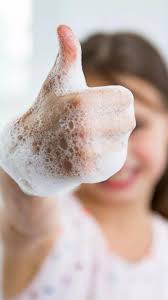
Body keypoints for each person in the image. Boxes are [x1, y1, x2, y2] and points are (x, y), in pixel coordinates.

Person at [0, 24, 168, 300]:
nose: (118, 154)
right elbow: (24, 216)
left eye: (137, 125)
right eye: (86, 131)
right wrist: (34, 156)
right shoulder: (50, 231)